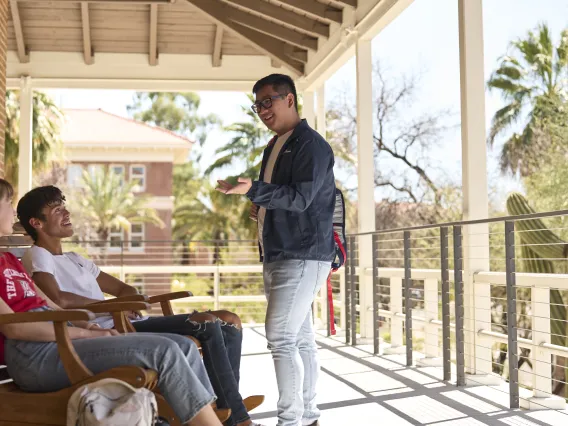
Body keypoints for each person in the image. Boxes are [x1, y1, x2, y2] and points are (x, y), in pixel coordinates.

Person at [16, 185, 263, 426]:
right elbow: (57, 298)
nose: (66, 212)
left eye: (64, 205)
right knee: (208, 323)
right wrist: (113, 306)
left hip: (126, 321)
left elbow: (124, 289)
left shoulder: (75, 259)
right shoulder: (38, 255)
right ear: (37, 223)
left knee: (229, 321)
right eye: (56, 209)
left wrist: (126, 301)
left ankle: (227, 406)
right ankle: (235, 417)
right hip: (106, 330)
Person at [216, 74, 336, 426]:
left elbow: (300, 199)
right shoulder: (275, 145)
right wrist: (260, 205)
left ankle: (290, 420)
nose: (262, 110)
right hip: (282, 252)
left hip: (300, 253)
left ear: (290, 100)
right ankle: (308, 413)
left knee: (281, 337)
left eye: (269, 101)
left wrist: (255, 189)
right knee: (298, 338)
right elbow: (284, 196)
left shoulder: (310, 145)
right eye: (258, 104)